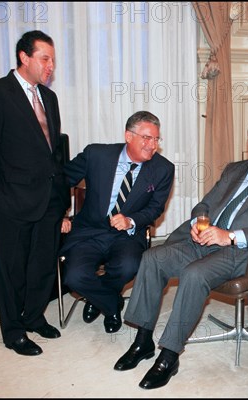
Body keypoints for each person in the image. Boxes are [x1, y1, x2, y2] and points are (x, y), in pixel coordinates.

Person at [113, 118, 248, 389]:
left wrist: (229, 236)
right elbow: (205, 203)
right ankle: (143, 341)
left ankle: (169, 355)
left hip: (245, 250)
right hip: (205, 239)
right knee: (152, 258)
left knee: (194, 275)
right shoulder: (235, 170)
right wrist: (197, 223)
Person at [0, 30, 71, 356]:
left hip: (48, 200)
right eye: (45, 58)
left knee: (41, 267)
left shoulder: (50, 98)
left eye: (53, 59)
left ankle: (33, 316)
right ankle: (13, 331)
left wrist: (62, 202)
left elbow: (52, 152)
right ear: (24, 57)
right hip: (10, 201)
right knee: (11, 271)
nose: (50, 65)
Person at [59, 111, 175, 333]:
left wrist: (131, 220)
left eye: (156, 139)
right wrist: (59, 215)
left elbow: (155, 208)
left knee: (128, 266)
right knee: (73, 277)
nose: (152, 145)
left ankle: (96, 299)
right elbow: (61, 181)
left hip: (127, 235)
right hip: (89, 230)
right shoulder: (96, 154)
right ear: (128, 136)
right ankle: (111, 304)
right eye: (146, 138)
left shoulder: (163, 168)